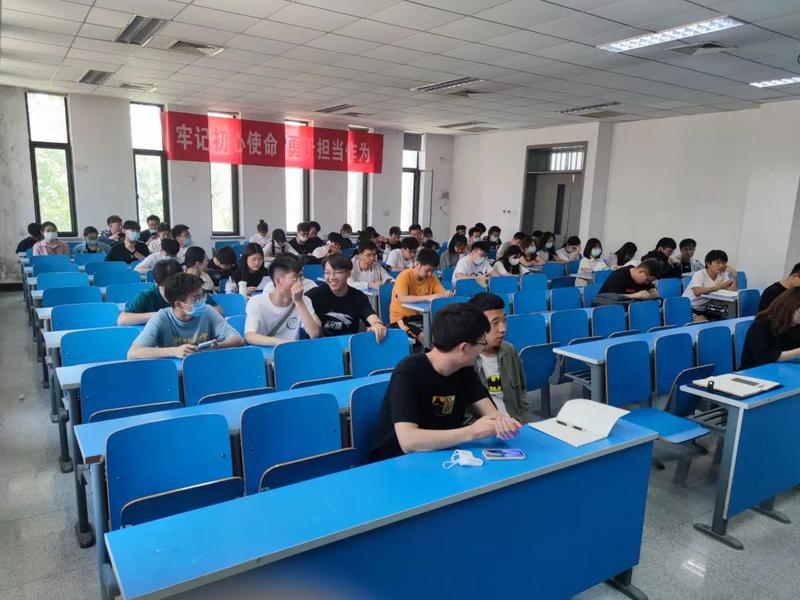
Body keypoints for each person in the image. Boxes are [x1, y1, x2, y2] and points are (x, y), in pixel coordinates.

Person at [369, 303, 522, 461]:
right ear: (464, 348)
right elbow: (408, 442)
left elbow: (492, 414)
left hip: (443, 453)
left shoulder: (464, 369)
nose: (482, 349)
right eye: (481, 343)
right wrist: (473, 432)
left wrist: (501, 423)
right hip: (398, 461)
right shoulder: (409, 372)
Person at [127, 273, 242, 359]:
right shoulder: (161, 317)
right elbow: (133, 352)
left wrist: (218, 346)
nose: (202, 301)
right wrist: (175, 351)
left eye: (202, 296)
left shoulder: (207, 311)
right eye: (196, 299)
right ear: (178, 304)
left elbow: (237, 339)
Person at [467, 293, 531, 423]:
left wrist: (526, 423)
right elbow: (466, 416)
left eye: (504, 320)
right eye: (495, 323)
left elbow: (522, 393)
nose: (503, 329)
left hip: (516, 424)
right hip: (486, 431)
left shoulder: (509, 350)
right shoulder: (466, 360)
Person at [244, 255, 321, 346]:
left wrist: (299, 302)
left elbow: (314, 334)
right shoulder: (257, 302)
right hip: (264, 352)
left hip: (290, 351)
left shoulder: (304, 301)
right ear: (278, 281)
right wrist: (280, 342)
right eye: (295, 277)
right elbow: (250, 336)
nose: (299, 282)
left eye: (300, 277)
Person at [307, 254, 387, 340]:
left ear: (348, 273)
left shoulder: (358, 296)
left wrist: (376, 324)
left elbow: (370, 314)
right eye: (327, 273)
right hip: (324, 344)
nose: (332, 277)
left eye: (337, 272)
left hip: (349, 343)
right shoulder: (315, 294)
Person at [119, 259, 217, 326]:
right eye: (166, 287)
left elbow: (218, 310)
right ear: (156, 282)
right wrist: (159, 315)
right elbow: (122, 320)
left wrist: (194, 311)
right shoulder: (146, 296)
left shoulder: (192, 291)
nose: (172, 291)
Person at [390, 248, 449, 342]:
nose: (430, 274)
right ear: (417, 264)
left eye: (432, 270)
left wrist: (447, 294)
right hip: (401, 319)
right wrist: (428, 297)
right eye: (428, 270)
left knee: (446, 331)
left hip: (422, 317)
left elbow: (442, 293)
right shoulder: (404, 276)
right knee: (425, 337)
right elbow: (402, 298)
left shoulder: (431, 277)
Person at [741, 287, 800, 369]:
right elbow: (763, 357)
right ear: (788, 307)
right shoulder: (762, 324)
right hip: (755, 371)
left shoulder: (796, 326)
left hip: (783, 368)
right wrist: (797, 352)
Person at [682, 250, 738, 322]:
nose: (721, 265)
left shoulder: (722, 274)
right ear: (708, 263)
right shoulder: (699, 274)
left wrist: (734, 274)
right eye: (718, 262)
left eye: (723, 263)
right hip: (689, 307)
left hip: (706, 309)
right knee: (703, 322)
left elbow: (732, 291)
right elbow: (697, 292)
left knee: (726, 318)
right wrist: (718, 287)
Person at [593, 259, 660, 306]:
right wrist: (637, 295)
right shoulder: (618, 276)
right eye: (647, 280)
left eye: (650, 281)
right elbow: (615, 298)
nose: (647, 283)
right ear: (640, 272)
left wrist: (652, 292)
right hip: (607, 308)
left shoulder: (643, 280)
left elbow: (652, 290)